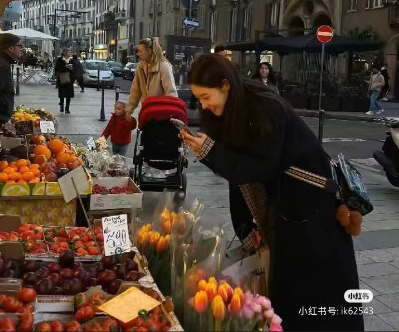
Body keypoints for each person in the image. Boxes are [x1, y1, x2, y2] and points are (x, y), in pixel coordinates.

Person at [182, 54, 364, 332]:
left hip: (312, 210)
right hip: (287, 209)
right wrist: (246, 227)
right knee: (288, 288)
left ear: (226, 85)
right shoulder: (232, 110)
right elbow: (239, 175)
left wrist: (211, 152)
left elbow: (256, 167)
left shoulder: (264, 107)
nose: (203, 105)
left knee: (317, 291)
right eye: (199, 99)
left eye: (206, 96)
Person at [125, 37, 177, 119]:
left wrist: (170, 114)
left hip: (161, 115)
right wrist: (129, 110)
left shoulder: (164, 67)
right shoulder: (140, 66)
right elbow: (135, 91)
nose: (138, 54)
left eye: (141, 51)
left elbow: (171, 92)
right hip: (146, 111)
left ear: (149, 51)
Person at [0, 33, 23, 126]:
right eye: (20, 46)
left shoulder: (3, 62)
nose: (22, 49)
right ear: (10, 48)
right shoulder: (2, 66)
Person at [55, 48, 74, 114]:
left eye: (70, 52)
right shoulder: (60, 59)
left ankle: (67, 108)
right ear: (65, 53)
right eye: (69, 52)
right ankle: (62, 105)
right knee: (62, 94)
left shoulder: (71, 60)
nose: (70, 53)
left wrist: (71, 68)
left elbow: (75, 69)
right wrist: (65, 67)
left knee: (68, 95)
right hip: (62, 79)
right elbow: (57, 68)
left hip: (69, 80)